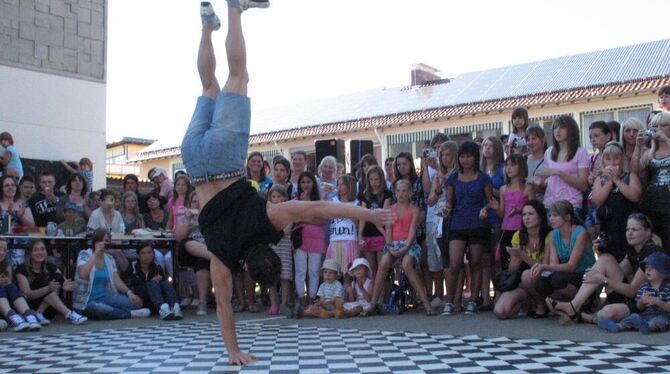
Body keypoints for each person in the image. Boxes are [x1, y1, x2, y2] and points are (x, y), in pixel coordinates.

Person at [179, 1, 392, 365]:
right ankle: (205, 27)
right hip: (194, 162)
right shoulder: (224, 257)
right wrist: (233, 351)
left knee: (238, 76)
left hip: (224, 157)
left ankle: (234, 10)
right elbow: (223, 301)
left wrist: (368, 212)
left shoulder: (269, 219)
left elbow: (319, 208)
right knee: (208, 86)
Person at [552, 213, 664, 324]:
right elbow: (615, 273)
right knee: (606, 258)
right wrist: (598, 259)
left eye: (634, 230)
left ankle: (586, 316)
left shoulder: (652, 253)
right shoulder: (633, 251)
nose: (629, 233)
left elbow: (632, 290)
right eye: (627, 229)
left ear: (648, 232)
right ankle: (575, 306)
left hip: (648, 303)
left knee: (605, 314)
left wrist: (601, 279)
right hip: (634, 299)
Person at [442, 142, 493, 316]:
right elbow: (449, 202)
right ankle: (449, 301)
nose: (465, 160)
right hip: (457, 223)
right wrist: (446, 209)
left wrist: (486, 209)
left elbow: (489, 200)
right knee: (454, 264)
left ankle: (472, 301)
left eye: (469, 156)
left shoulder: (484, 178)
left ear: (475, 157)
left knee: (476, 263)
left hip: (478, 224)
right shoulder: (453, 178)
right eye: (462, 156)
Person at [369, 179, 434, 315]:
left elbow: (412, 232)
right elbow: (388, 232)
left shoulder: (415, 210)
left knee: (406, 264)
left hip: (409, 244)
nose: (401, 194)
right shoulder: (390, 209)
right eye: (398, 191)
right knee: (384, 262)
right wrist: (391, 247)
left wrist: (404, 249)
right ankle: (373, 303)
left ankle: (426, 303)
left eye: (404, 191)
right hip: (393, 243)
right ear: (394, 192)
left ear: (410, 193)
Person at [536, 200, 596, 323]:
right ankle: (568, 304)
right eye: (550, 215)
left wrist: (544, 267)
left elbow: (572, 265)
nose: (551, 219)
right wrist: (546, 269)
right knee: (541, 282)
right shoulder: (553, 235)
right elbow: (554, 265)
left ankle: (584, 300)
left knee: (557, 279)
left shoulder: (580, 232)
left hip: (584, 275)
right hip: (567, 274)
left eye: (555, 215)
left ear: (567, 217)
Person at [73, 229, 151, 320]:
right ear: (95, 242)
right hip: (85, 300)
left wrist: (129, 293)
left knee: (134, 303)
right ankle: (129, 314)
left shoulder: (109, 258)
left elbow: (116, 280)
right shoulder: (84, 254)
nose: (103, 243)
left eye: (106, 241)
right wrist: (95, 254)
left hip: (104, 296)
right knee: (101, 309)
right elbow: (83, 273)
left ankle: (119, 312)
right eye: (100, 241)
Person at [493, 201, 551, 320]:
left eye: (530, 214)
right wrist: (515, 257)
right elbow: (512, 271)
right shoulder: (518, 236)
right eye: (524, 214)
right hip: (521, 282)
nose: (526, 218)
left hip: (543, 279)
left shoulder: (549, 235)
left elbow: (544, 266)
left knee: (527, 275)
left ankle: (541, 304)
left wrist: (522, 255)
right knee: (500, 311)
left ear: (540, 217)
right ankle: (527, 301)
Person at [14, 239, 87, 325]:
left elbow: (62, 280)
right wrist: (47, 288)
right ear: (29, 253)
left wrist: (64, 286)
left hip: (49, 309)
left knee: (55, 279)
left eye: (42, 249)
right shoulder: (21, 269)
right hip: (30, 307)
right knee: (42, 281)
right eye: (36, 250)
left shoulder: (50, 266)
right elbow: (27, 295)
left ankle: (39, 313)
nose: (40, 252)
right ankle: (68, 313)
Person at [590, 142, 641, 262]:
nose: (612, 163)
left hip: (628, 225)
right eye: (608, 159)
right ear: (604, 161)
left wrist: (617, 180)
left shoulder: (630, 176)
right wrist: (609, 182)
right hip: (609, 227)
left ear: (622, 160)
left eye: (616, 158)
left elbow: (635, 196)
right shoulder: (600, 179)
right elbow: (597, 201)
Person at [597, 252, 670, 334]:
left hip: (662, 315)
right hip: (645, 315)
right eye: (646, 267)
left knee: (660, 320)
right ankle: (617, 326)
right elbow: (638, 307)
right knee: (633, 317)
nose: (647, 270)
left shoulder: (667, 288)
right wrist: (641, 302)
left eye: (652, 268)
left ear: (663, 272)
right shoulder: (644, 287)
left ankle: (648, 327)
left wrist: (657, 302)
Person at [489, 154, 534, 270]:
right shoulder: (503, 189)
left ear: (521, 167)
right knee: (505, 262)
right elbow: (501, 213)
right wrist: (496, 207)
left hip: (522, 230)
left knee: (522, 262)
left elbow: (534, 210)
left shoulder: (528, 188)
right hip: (506, 229)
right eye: (507, 165)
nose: (508, 168)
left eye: (512, 165)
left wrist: (519, 212)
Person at [292, 171, 325, 310]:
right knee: (300, 270)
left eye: (308, 182)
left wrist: (304, 219)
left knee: (314, 271)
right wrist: (311, 219)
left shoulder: (319, 202)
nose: (306, 185)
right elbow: (294, 219)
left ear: (314, 183)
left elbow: (322, 220)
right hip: (300, 239)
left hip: (316, 239)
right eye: (303, 182)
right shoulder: (294, 202)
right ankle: (301, 298)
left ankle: (312, 297)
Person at [175, 191, 211, 316]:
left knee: (203, 261)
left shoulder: (211, 216)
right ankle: (215, 258)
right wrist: (189, 220)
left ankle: (202, 301)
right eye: (194, 202)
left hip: (204, 251)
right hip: (188, 252)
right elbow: (179, 237)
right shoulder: (184, 217)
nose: (197, 204)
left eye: (199, 201)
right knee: (188, 242)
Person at [125, 242, 182, 320]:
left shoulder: (157, 268)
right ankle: (163, 308)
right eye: (143, 253)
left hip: (155, 298)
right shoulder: (132, 267)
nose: (147, 256)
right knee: (152, 283)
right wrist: (150, 282)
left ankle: (174, 306)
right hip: (140, 297)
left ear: (153, 254)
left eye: (149, 252)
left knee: (165, 282)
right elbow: (130, 286)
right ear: (138, 255)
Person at [638, 112, 670, 248]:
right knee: (657, 244)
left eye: (663, 125)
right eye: (655, 126)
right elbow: (636, 170)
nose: (659, 129)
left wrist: (666, 140)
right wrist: (637, 147)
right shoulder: (650, 152)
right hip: (653, 203)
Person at [358, 165, 392, 278]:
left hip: (380, 234)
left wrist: (387, 236)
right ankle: (374, 294)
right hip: (367, 234)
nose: (374, 182)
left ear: (381, 179)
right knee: (371, 267)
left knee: (383, 267)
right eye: (371, 179)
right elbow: (362, 216)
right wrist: (360, 236)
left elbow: (385, 215)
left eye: (376, 179)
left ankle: (384, 294)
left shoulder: (386, 194)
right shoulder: (365, 194)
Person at [326, 175, 360, 289]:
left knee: (347, 276)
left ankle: (349, 300)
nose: (339, 187)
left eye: (342, 184)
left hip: (349, 240)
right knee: (332, 274)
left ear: (349, 186)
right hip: (335, 240)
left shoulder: (356, 203)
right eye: (338, 184)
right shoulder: (333, 201)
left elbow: (357, 223)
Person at [0, 239, 41, 331]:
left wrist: (5, 282)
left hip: (4, 305)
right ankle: (13, 317)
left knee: (10, 286)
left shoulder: (7, 266)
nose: (2, 252)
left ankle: (28, 315)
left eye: (5, 250)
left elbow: (8, 289)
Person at [266, 185, 293, 317]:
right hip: (271, 247)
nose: (276, 199)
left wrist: (273, 232)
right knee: (271, 277)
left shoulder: (288, 212)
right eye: (273, 196)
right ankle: (274, 304)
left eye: (279, 196)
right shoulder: (267, 212)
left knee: (285, 276)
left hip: (284, 246)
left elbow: (287, 229)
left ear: (284, 197)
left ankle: (284, 303)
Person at [525, 125, 547, 203]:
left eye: (534, 138)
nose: (530, 142)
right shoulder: (524, 160)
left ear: (543, 140)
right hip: (525, 205)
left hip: (544, 204)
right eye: (528, 139)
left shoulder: (549, 161)